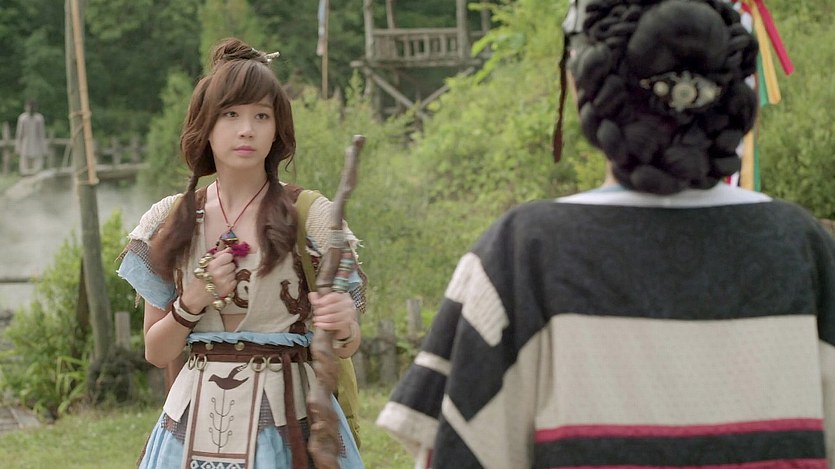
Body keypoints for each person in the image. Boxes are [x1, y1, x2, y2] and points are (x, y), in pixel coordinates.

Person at [376, 1, 835, 467]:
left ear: (581, 83)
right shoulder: (805, 251)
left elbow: (457, 451)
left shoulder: (521, 255)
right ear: (736, 88)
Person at [118, 37, 365, 468]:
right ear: (206, 125)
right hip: (191, 425)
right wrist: (193, 300)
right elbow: (156, 352)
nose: (246, 129)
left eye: (261, 115)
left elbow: (346, 344)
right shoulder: (170, 220)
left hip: (292, 425)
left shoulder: (313, 216)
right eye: (230, 114)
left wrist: (343, 325)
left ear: (277, 128)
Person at [14, 100, 48, 176]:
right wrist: (17, 148)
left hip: (37, 145)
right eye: (29, 107)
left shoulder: (39, 118)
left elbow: (42, 135)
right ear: (26, 107)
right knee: (24, 167)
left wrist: (44, 150)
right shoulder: (22, 118)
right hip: (25, 146)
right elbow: (19, 134)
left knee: (37, 168)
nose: (30, 109)